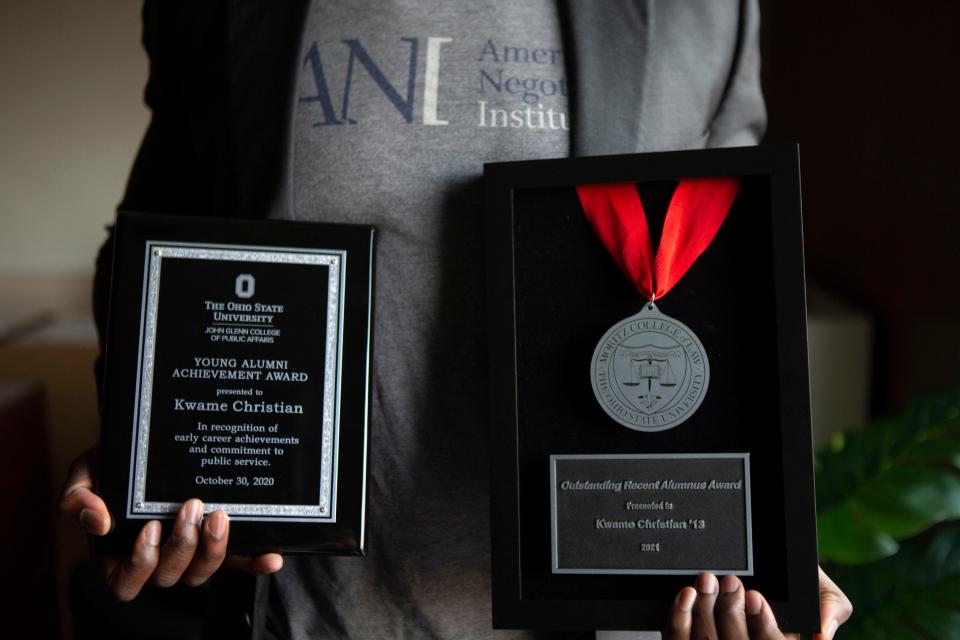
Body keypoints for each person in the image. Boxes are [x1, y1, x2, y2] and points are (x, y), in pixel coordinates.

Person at [60, 1, 851, 638]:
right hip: (285, 611)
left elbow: (739, 285)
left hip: (611, 611)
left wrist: (767, 550)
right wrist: (138, 464)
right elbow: (150, 250)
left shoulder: (709, 12)